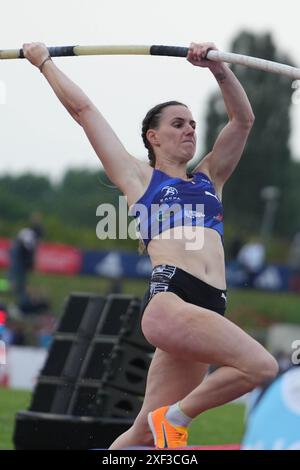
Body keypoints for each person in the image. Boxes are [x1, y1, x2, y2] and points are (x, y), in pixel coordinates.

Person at [23, 41, 279, 449]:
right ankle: (174, 418)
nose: (190, 130)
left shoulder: (208, 178)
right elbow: (84, 112)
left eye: (193, 124)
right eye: (178, 124)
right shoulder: (140, 179)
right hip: (172, 299)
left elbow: (243, 120)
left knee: (143, 432)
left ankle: (164, 423)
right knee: (262, 366)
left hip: (211, 305)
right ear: (153, 137)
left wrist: (218, 68)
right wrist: (44, 63)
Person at [8, 213, 44, 311]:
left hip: (18, 254)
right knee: (19, 280)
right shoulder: (30, 234)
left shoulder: (29, 232)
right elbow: (29, 251)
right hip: (19, 255)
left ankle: (17, 292)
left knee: (18, 278)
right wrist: (31, 265)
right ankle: (21, 302)